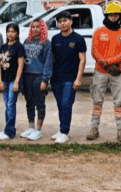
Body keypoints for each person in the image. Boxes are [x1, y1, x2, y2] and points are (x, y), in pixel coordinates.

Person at [88, 1, 121, 143]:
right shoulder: (98, 32)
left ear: (120, 15)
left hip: (118, 71)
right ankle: (94, 128)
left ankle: (120, 131)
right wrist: (103, 62)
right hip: (100, 71)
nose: (113, 17)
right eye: (111, 14)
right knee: (97, 100)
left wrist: (111, 62)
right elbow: (94, 51)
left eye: (116, 14)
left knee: (119, 101)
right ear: (106, 15)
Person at [50, 11, 87, 144]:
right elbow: (52, 59)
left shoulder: (78, 39)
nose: (62, 23)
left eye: (65, 20)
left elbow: (82, 60)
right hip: (56, 79)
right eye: (60, 22)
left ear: (71, 21)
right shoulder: (55, 39)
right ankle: (61, 130)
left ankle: (65, 132)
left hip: (70, 79)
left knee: (66, 105)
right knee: (60, 105)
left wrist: (78, 79)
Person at [19, 19, 52, 141]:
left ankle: (38, 130)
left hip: (39, 76)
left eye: (38, 27)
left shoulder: (46, 43)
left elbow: (48, 63)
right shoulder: (26, 41)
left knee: (40, 104)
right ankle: (31, 127)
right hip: (27, 76)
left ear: (42, 28)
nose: (35, 29)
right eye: (33, 27)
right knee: (29, 103)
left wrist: (45, 79)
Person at [0, 23, 25, 141]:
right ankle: (8, 128)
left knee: (10, 105)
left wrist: (17, 82)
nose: (10, 34)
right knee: (7, 105)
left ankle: (9, 131)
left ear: (17, 33)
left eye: (13, 31)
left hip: (14, 80)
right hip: (4, 80)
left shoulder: (19, 47)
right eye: (8, 31)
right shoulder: (3, 47)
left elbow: (20, 65)